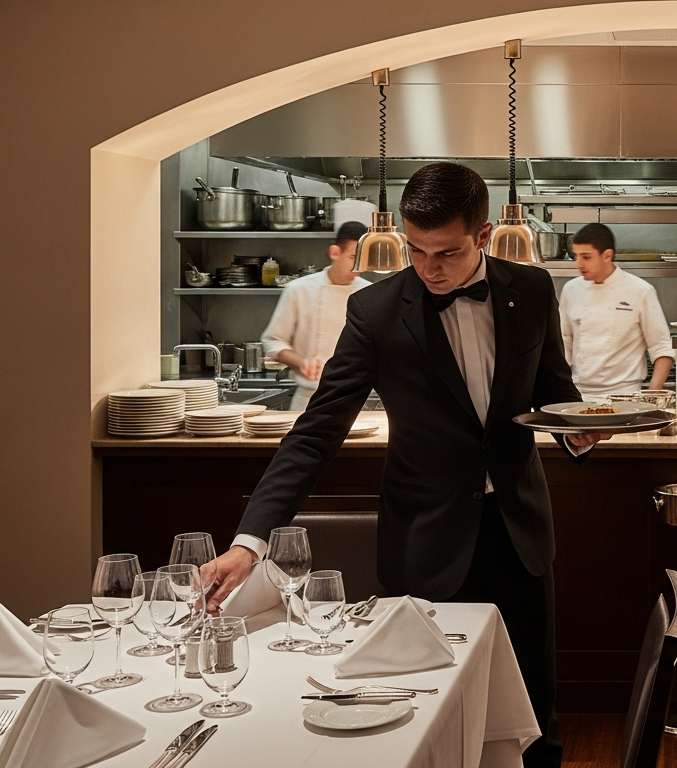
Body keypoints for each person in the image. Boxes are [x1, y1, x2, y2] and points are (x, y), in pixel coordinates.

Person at [200, 162, 605, 768]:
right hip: (426, 542)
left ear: (484, 235)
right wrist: (249, 542)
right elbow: (316, 430)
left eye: (447, 253)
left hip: (519, 534)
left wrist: (580, 431)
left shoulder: (532, 288)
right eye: (416, 250)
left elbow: (553, 388)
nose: (428, 267)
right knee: (422, 710)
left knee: (533, 718)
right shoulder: (376, 311)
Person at [261, 221, 372, 410]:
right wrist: (301, 363)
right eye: (353, 257)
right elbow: (273, 341)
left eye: (363, 260)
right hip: (309, 400)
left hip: (357, 401)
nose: (358, 268)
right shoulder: (299, 290)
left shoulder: (370, 292)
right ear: (335, 252)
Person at [558, 223, 675, 398]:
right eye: (576, 256)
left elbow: (661, 347)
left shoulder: (640, 290)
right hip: (578, 394)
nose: (579, 264)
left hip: (625, 396)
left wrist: (652, 395)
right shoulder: (571, 290)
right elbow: (563, 343)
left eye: (586, 257)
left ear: (607, 255)